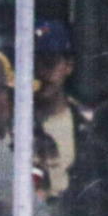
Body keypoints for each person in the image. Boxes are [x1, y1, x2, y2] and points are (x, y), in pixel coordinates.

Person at [32, 19, 89, 202]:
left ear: (68, 66)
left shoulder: (87, 124)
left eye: (49, 62)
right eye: (33, 63)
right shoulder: (12, 121)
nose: (41, 72)